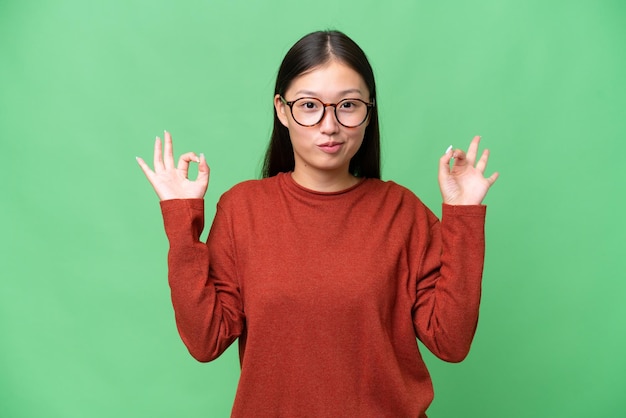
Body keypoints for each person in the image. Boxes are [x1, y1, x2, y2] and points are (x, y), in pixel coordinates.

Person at [136, 30, 498, 418]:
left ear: (369, 111)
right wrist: (180, 218)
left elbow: (451, 341)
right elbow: (205, 341)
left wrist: (463, 216)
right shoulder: (242, 209)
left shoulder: (402, 211)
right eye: (309, 106)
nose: (330, 125)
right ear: (281, 109)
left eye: (348, 105)